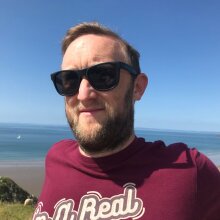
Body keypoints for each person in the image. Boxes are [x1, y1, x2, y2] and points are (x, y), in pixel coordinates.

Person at [33, 22, 220, 220]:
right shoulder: (56, 157)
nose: (82, 95)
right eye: (69, 79)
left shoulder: (190, 170)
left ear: (137, 87)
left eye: (103, 75)